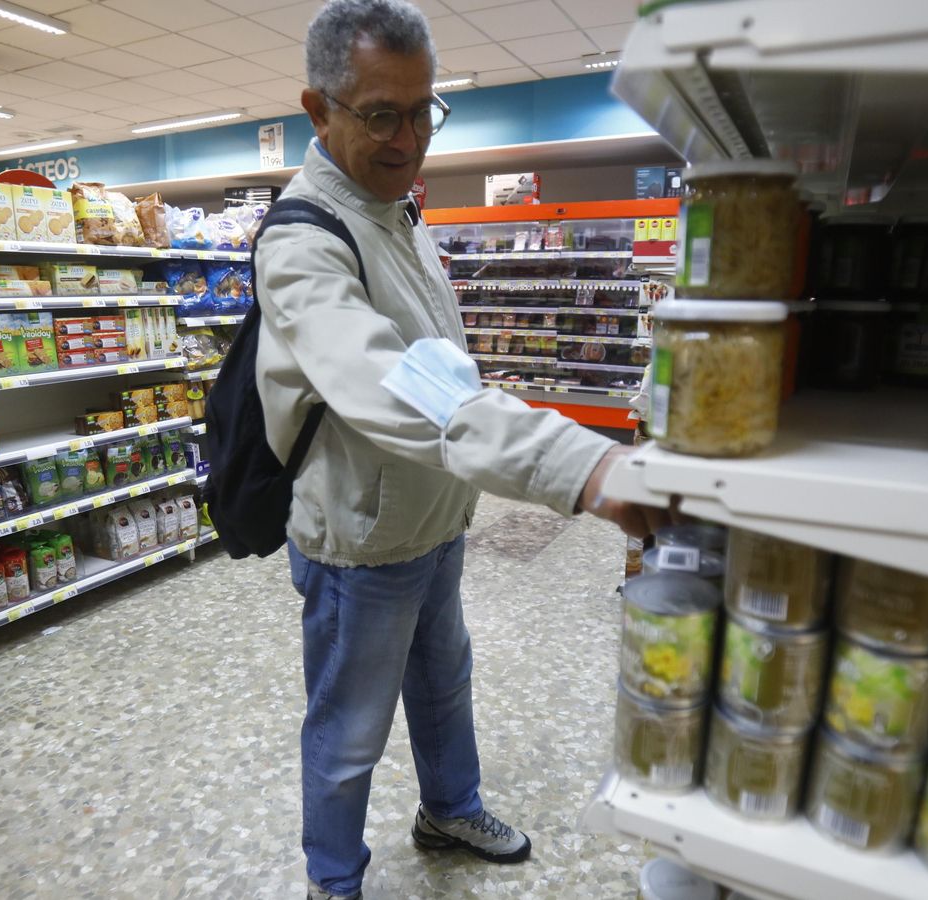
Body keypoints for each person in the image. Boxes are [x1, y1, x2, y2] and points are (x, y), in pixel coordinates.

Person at [256, 2, 668, 897]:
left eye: (423, 110)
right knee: (347, 732)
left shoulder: (395, 212)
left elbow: (444, 362)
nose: (408, 137)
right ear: (317, 109)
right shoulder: (300, 243)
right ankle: (334, 882)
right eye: (379, 114)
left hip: (435, 519)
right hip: (360, 543)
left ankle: (450, 808)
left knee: (445, 686)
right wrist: (582, 466)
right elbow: (392, 382)